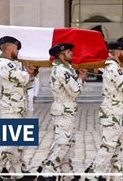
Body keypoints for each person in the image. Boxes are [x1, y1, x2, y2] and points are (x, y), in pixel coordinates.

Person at [85, 41, 123, 180]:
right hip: (112, 112)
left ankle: (118, 171)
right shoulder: (113, 69)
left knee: (120, 143)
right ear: (117, 51)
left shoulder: (117, 68)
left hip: (118, 111)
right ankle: (94, 174)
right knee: (109, 144)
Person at [0, 36, 38, 181]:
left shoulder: (14, 64)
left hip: (18, 109)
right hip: (9, 110)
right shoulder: (4, 64)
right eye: (16, 48)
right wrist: (28, 72)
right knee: (7, 144)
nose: (18, 51)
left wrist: (32, 74)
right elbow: (21, 78)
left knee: (18, 144)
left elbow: (26, 84)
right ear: (9, 48)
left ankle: (17, 172)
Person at [38, 43, 86, 179]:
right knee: (63, 142)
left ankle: (66, 172)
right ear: (61, 55)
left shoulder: (67, 68)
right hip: (63, 110)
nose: (71, 53)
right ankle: (47, 171)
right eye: (69, 51)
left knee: (68, 142)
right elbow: (74, 90)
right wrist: (82, 80)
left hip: (67, 109)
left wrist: (80, 78)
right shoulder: (61, 70)